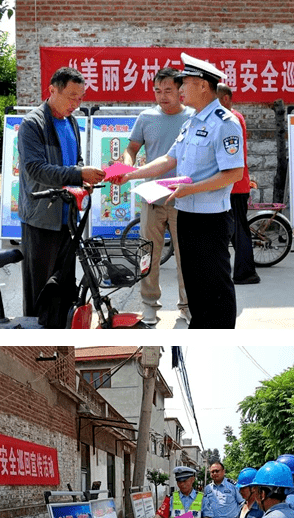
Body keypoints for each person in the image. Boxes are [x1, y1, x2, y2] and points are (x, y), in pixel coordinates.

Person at [109, 53, 244, 329]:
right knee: (194, 282)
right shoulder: (191, 122)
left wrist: (191, 188)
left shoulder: (224, 122)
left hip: (210, 219)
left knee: (214, 286)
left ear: (203, 86)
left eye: (185, 83)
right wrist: (129, 174)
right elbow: (169, 160)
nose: (181, 89)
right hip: (186, 214)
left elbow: (234, 173)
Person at [18, 66, 105, 322]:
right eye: (71, 97)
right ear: (52, 90)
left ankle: (60, 334)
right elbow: (36, 169)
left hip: (68, 219)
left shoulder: (71, 122)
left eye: (80, 98)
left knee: (66, 288)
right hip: (42, 218)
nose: (76, 104)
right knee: (40, 290)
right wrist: (78, 175)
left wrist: (83, 181)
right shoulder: (32, 124)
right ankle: (35, 335)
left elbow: (74, 161)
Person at [122, 67, 193, 325]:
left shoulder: (193, 118)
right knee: (148, 253)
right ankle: (149, 304)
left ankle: (186, 305)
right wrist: (128, 166)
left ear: (180, 90)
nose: (162, 96)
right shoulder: (146, 117)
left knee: (185, 255)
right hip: (152, 197)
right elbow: (131, 148)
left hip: (183, 198)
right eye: (157, 91)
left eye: (168, 91)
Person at [216, 82, 260, 285]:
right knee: (235, 231)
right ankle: (243, 270)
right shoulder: (233, 118)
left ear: (225, 99)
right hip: (234, 184)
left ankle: (246, 272)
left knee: (239, 231)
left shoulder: (232, 118)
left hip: (235, 185)